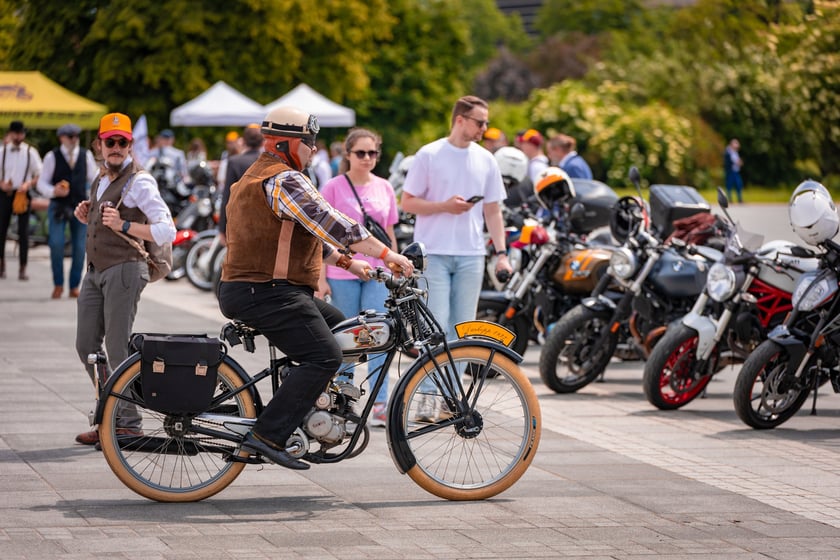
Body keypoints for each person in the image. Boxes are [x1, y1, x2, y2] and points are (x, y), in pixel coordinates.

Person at [218, 106, 413, 470]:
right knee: (325, 355)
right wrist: (385, 254)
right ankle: (268, 434)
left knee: (341, 327)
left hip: (262, 288)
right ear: (285, 143)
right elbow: (334, 224)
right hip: (266, 290)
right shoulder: (283, 179)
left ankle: (312, 412)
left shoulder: (265, 177)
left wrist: (350, 264)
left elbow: (304, 235)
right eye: (308, 141)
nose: (314, 149)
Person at [72, 112, 177, 445]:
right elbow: (105, 216)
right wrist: (87, 213)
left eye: (122, 142)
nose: (116, 147)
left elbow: (166, 230)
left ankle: (127, 423)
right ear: (99, 145)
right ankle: (110, 414)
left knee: (117, 348)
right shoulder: (101, 177)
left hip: (126, 268)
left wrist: (124, 225)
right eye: (110, 141)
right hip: (96, 271)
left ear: (131, 145)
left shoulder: (140, 181)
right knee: (86, 346)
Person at [401, 95, 513, 344]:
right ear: (460, 120)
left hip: (471, 254)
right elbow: (407, 202)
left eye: (486, 123)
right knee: (435, 327)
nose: (485, 128)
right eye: (480, 123)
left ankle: (454, 385)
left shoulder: (487, 159)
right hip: (433, 254)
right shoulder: (428, 154)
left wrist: (502, 254)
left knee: (464, 330)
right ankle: (431, 385)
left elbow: (493, 211)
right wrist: (445, 206)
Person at [319, 128, 399, 427]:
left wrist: (395, 265)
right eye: (361, 153)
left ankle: (380, 403)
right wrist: (320, 278)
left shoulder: (385, 187)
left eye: (372, 153)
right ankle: (344, 402)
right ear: (348, 155)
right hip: (342, 269)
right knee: (347, 340)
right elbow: (320, 235)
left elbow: (388, 233)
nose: (367, 158)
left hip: (378, 271)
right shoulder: (333, 187)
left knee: (379, 336)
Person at [36, 123, 99, 298]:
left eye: (76, 136)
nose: (73, 140)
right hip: (58, 206)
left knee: (80, 247)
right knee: (56, 243)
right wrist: (53, 191)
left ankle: (73, 285)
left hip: (79, 205)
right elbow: (42, 183)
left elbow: (94, 181)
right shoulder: (52, 156)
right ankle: (58, 284)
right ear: (61, 138)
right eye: (70, 137)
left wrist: (90, 199)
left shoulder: (86, 156)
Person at [0, 120, 43, 280]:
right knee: (1, 230)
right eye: (16, 133)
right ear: (10, 134)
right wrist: (2, 184)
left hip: (22, 194)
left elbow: (39, 173)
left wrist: (28, 184)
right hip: (5, 194)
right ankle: (1, 265)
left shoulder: (30, 152)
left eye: (21, 133)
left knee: (23, 232)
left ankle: (22, 267)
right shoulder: (2, 151)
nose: (19, 136)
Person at [217, 124, 264, 244]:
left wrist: (222, 228)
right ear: (262, 142)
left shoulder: (235, 162)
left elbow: (228, 196)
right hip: (264, 222)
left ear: (243, 141)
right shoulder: (267, 162)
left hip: (241, 222)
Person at [724, 138, 744, 203]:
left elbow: (738, 161)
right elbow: (733, 161)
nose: (737, 145)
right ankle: (729, 199)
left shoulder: (735, 152)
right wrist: (738, 162)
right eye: (736, 143)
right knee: (729, 186)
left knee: (739, 185)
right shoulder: (728, 152)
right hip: (731, 172)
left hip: (736, 171)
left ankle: (739, 199)